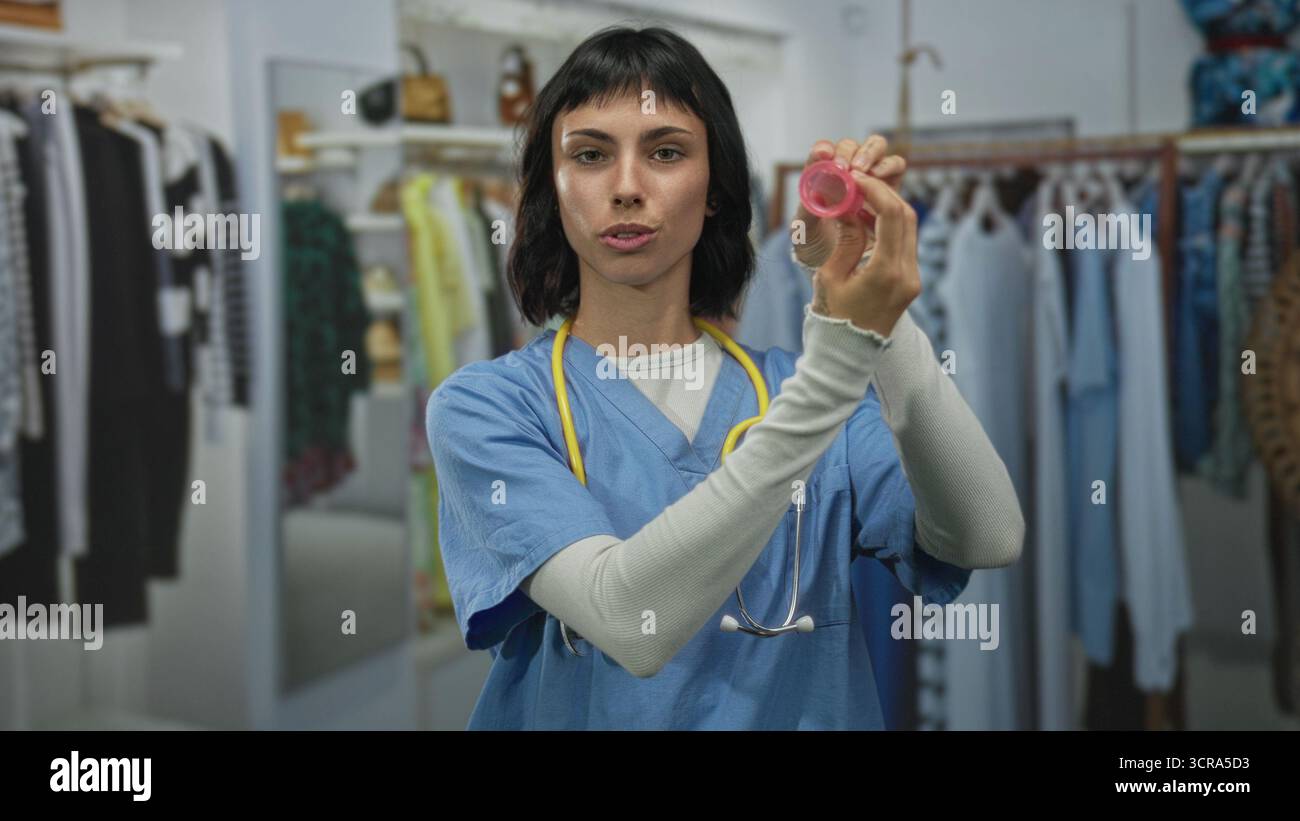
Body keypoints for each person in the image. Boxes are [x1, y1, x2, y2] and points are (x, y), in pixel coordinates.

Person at [425, 25, 1024, 730]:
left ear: (714, 188)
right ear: (552, 189)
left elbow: (986, 535)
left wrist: (875, 308)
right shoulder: (485, 408)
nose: (625, 188)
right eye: (589, 155)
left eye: (666, 152)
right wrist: (832, 371)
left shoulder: (795, 389)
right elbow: (632, 620)